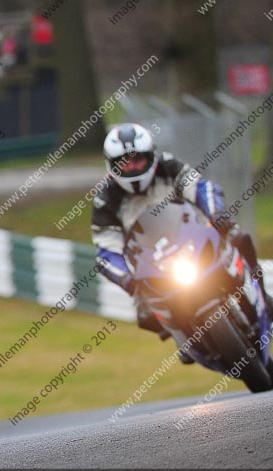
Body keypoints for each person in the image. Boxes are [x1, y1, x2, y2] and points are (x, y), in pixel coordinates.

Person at [91, 123, 272, 361]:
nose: (133, 168)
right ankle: (182, 336)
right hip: (150, 263)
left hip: (192, 239)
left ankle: (261, 294)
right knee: (145, 315)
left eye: (138, 161)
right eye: (125, 163)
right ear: (111, 165)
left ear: (151, 156)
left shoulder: (167, 166)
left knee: (239, 238)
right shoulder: (105, 200)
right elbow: (106, 250)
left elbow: (200, 187)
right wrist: (126, 278)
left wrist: (216, 214)